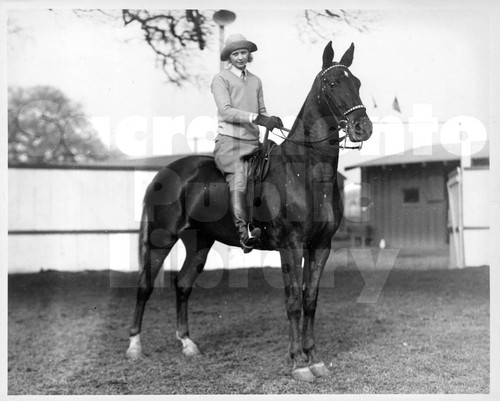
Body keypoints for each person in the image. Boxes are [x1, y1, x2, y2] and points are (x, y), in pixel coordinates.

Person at [211, 34, 283, 252]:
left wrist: (270, 119)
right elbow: (225, 111)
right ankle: (244, 233)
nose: (241, 57)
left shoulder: (256, 80)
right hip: (230, 144)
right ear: (229, 57)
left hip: (254, 143)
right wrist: (256, 118)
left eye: (243, 52)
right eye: (236, 53)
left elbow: (261, 111)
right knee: (239, 180)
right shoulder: (220, 79)